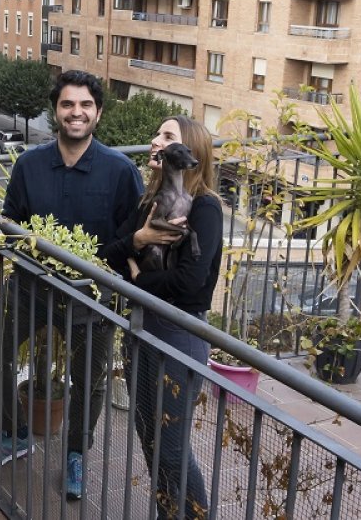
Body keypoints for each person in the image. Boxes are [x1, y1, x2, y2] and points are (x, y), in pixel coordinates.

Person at [0, 71, 144, 500]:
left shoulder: (121, 172)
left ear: (98, 113)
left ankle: (75, 452)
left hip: (92, 297)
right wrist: (15, 243)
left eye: (85, 105)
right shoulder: (30, 165)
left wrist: (114, 288)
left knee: (92, 380)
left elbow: (132, 240)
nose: (76, 113)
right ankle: (16, 433)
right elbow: (8, 223)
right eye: (68, 105)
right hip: (30, 288)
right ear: (56, 112)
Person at [102, 115, 222, 520]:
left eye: (167, 136)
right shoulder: (148, 204)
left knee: (171, 446)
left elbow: (191, 284)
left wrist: (138, 279)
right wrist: (140, 240)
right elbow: (111, 254)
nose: (155, 141)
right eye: (157, 134)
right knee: (148, 438)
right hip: (141, 329)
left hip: (179, 334)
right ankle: (168, 513)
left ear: (189, 151)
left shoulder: (205, 207)